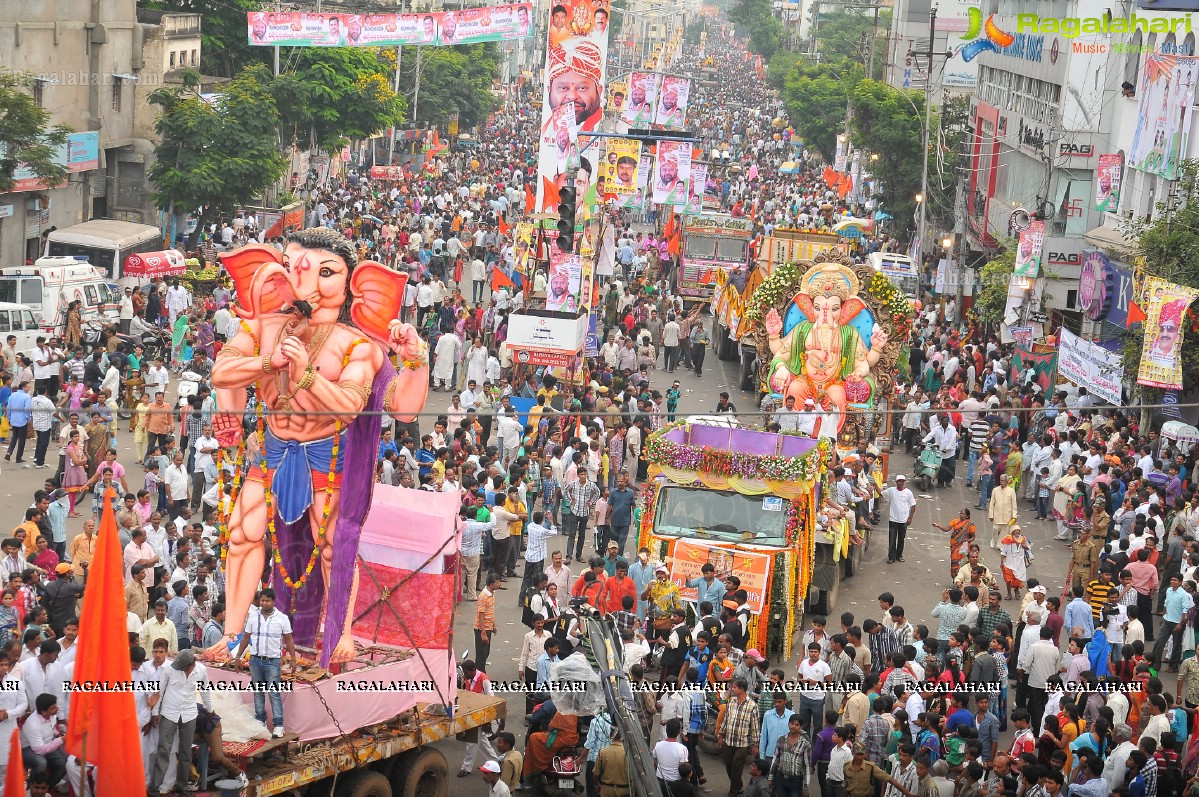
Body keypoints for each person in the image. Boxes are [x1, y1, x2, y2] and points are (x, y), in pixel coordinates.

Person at [148, 649, 212, 796]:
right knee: (163, 750)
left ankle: (182, 787)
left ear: (192, 664)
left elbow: (205, 691)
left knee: (185, 752)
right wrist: (155, 712)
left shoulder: (201, 671)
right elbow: (160, 691)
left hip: (189, 714)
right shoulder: (171, 670)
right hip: (169, 713)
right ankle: (154, 789)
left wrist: (209, 709)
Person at [234, 588, 296, 738]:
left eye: (267, 600)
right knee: (258, 692)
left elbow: (288, 639)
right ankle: (260, 722)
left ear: (273, 602)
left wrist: (293, 659)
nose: (264, 603)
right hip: (255, 660)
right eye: (262, 600)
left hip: (273, 662)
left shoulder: (282, 618)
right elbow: (246, 637)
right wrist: (238, 657)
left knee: (274, 693)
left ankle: (278, 725)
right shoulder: (253, 617)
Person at [883, 475, 918, 564]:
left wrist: (910, 518)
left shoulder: (908, 493)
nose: (900, 483)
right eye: (899, 481)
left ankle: (899, 555)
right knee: (892, 538)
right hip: (893, 519)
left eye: (902, 481)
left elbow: (913, 505)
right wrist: (875, 486)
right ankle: (891, 557)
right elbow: (882, 494)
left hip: (903, 520)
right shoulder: (891, 490)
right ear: (896, 482)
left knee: (901, 539)